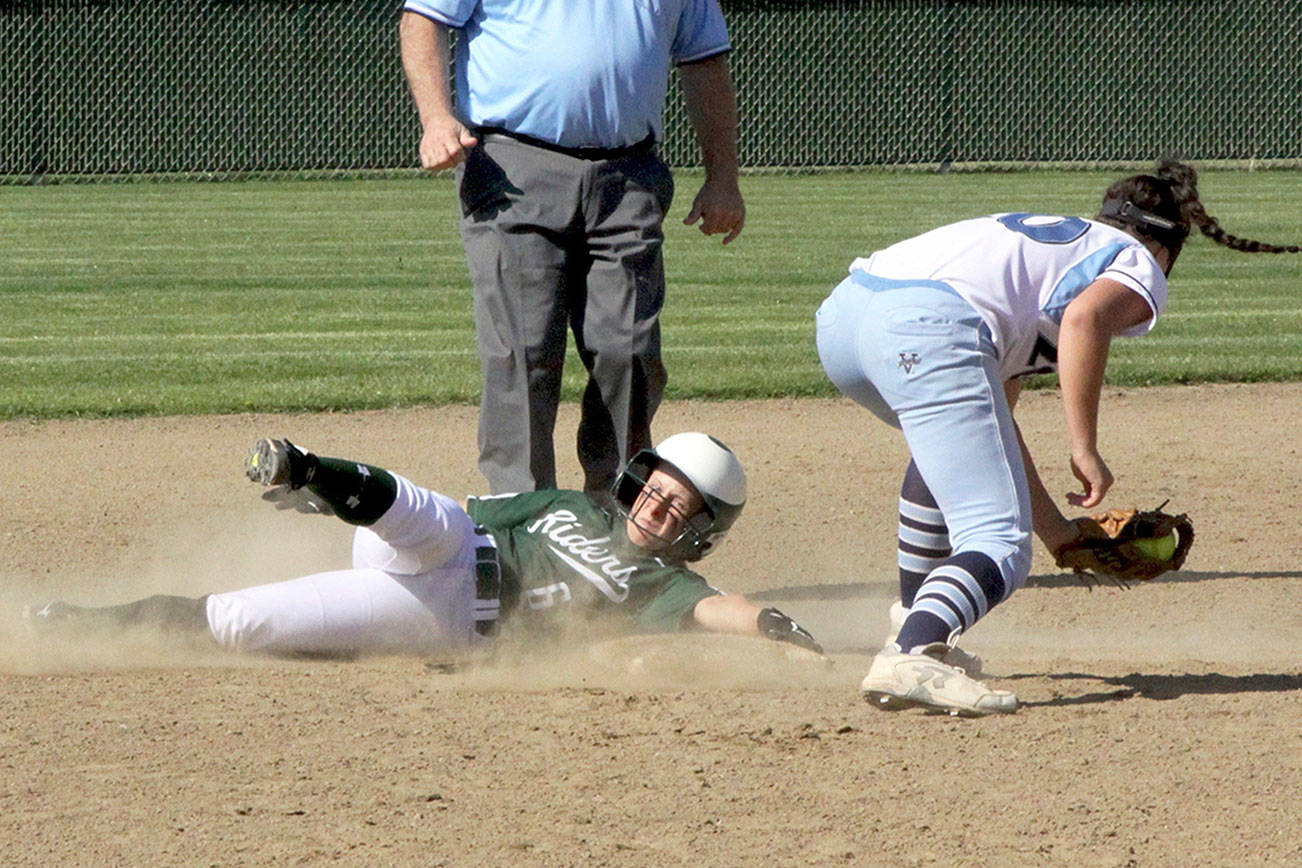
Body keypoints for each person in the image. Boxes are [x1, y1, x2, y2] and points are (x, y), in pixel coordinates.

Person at [814, 159, 1300, 717]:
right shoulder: (1137, 259)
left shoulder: (1047, 261)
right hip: (928, 327)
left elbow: (996, 434)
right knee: (999, 543)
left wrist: (1059, 534)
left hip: (844, 322)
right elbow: (1084, 321)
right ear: (1168, 248)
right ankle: (909, 655)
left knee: (950, 451)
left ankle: (919, 619)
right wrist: (1084, 447)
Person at [25, 434, 821, 661]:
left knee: (238, 622)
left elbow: (725, 609)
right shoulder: (569, 506)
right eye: (655, 486)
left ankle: (78, 623)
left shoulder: (658, 585)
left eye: (678, 506)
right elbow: (465, 508)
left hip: (439, 609)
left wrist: (778, 627)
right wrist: (330, 503)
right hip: (441, 542)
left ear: (701, 533)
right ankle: (310, 469)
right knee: (426, 511)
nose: (656, 506)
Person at [398, 0, 746, 502]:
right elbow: (422, 18)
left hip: (629, 177)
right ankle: (525, 517)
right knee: (524, 351)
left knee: (629, 350)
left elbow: (704, 61)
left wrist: (723, 179)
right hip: (512, 166)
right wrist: (436, 118)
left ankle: (617, 516)